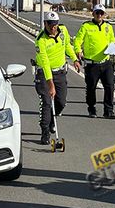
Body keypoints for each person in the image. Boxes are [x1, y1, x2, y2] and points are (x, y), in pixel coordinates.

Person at [34, 11, 81, 145]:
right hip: (44, 74)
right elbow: (45, 63)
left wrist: (75, 59)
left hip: (60, 72)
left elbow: (67, 46)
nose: (53, 27)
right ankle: (45, 132)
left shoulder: (63, 31)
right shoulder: (40, 40)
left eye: (55, 24)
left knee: (61, 102)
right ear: (45, 24)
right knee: (47, 103)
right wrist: (50, 84)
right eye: (50, 25)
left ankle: (52, 122)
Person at [74, 4, 115, 119]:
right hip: (92, 64)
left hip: (106, 62)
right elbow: (78, 41)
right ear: (93, 14)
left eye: (101, 13)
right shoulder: (86, 26)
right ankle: (91, 108)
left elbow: (112, 39)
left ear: (104, 15)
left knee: (110, 86)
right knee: (91, 87)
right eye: (97, 13)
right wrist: (78, 51)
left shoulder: (108, 27)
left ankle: (108, 111)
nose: (99, 15)